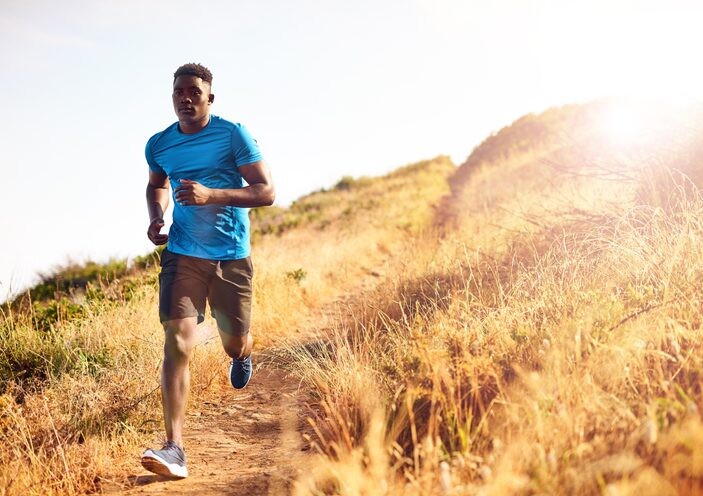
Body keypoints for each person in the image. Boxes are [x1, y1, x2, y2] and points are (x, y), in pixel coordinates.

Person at [140, 63, 274, 479]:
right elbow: (157, 184)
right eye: (178, 91)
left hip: (230, 255)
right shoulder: (159, 143)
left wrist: (211, 194)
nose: (185, 98)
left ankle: (242, 353)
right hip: (182, 253)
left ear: (209, 98)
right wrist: (156, 217)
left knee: (234, 342)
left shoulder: (233, 134)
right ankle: (174, 448)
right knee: (178, 340)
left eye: (194, 92)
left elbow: (266, 191)